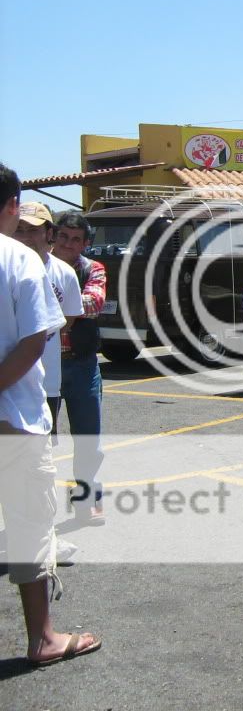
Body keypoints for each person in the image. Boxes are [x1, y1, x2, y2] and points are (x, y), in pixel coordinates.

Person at [0, 162, 101, 665]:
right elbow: (35, 338)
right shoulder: (18, 261)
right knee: (29, 522)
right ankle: (42, 638)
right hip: (13, 416)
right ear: (12, 206)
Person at [15, 202, 85, 563]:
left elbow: (64, 322)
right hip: (11, 385)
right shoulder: (9, 268)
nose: (27, 236)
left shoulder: (61, 273)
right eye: (21, 228)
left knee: (39, 466)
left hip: (44, 385)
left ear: (48, 234)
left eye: (35, 229)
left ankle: (41, 543)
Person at [52, 212, 106, 524]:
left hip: (83, 365)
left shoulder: (92, 269)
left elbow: (94, 303)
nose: (68, 244)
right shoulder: (37, 266)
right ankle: (35, 507)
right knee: (38, 440)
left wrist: (47, 304)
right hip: (44, 366)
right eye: (63, 237)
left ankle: (86, 500)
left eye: (76, 239)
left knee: (88, 440)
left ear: (85, 244)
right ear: (53, 237)